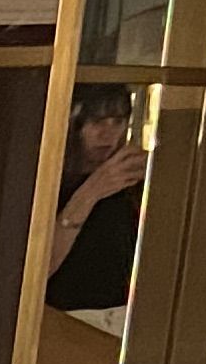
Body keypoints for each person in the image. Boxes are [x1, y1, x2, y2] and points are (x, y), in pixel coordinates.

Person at [45, 82, 147, 317]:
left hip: (120, 317)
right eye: (97, 122)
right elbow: (37, 271)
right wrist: (91, 192)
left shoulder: (130, 184)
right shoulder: (46, 181)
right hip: (59, 319)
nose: (108, 134)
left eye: (117, 122)